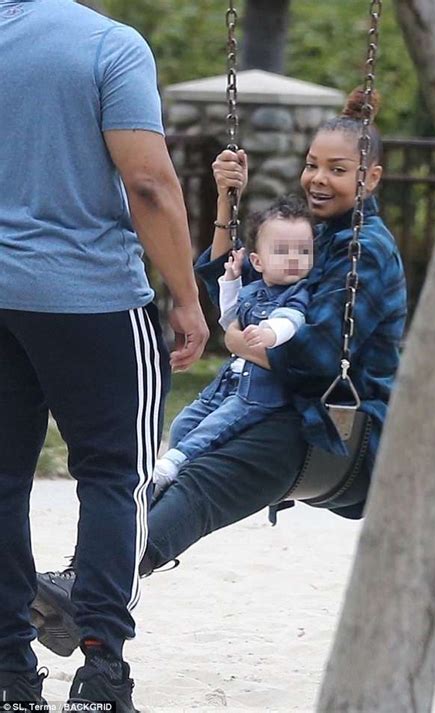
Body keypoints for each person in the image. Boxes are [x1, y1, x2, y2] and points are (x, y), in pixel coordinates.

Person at [32, 88, 407, 663]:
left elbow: (316, 358)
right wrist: (229, 203)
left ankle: (90, 590)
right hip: (278, 403)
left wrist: (235, 341)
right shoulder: (313, 230)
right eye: (311, 165)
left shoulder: (366, 250)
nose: (317, 179)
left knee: (203, 480)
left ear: (371, 177)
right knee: (172, 463)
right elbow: (227, 280)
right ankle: (86, 583)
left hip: (336, 432)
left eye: (338, 169)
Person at [0, 1, 208, 711]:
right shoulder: (108, 46)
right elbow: (148, 182)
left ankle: (8, 676)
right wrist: (184, 293)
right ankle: (100, 672)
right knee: (115, 477)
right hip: (90, 296)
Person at [153, 195, 314, 491]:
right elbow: (229, 319)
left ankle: (175, 462)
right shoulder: (253, 290)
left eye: (303, 251)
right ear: (258, 261)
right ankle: (179, 477)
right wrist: (230, 281)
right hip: (229, 383)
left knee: (217, 427)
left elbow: (292, 319)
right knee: (184, 424)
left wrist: (271, 333)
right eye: (282, 251)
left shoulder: (299, 292)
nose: (294, 259)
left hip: (259, 394)